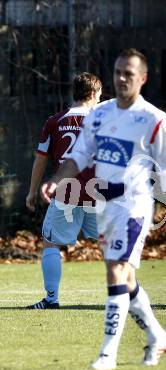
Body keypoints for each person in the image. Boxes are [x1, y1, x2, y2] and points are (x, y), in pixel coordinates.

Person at [40, 48, 166, 370]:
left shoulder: (154, 118)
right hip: (105, 204)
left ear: (143, 79)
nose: (122, 78)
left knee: (116, 271)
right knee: (128, 278)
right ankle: (158, 336)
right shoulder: (100, 114)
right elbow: (79, 156)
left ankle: (107, 353)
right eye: (118, 72)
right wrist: (56, 181)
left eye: (129, 74)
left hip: (134, 205)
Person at [25, 72, 102, 309]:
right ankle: (127, 295)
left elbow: (41, 159)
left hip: (67, 192)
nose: (100, 98)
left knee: (51, 242)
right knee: (114, 242)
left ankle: (51, 299)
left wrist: (32, 191)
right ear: (92, 93)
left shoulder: (55, 121)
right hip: (98, 193)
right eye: (99, 94)